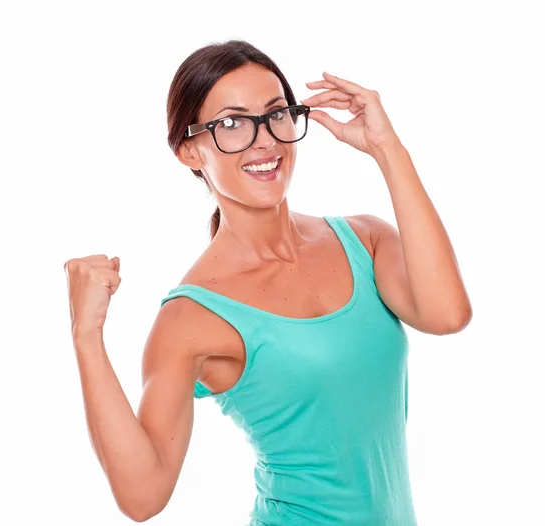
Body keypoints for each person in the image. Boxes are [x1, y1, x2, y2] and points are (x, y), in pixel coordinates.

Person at [64, 39, 472, 524]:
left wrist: (388, 149)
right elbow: (142, 496)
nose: (264, 140)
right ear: (189, 151)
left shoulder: (365, 240)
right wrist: (86, 337)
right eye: (231, 123)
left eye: (276, 114)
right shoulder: (193, 317)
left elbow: (448, 315)